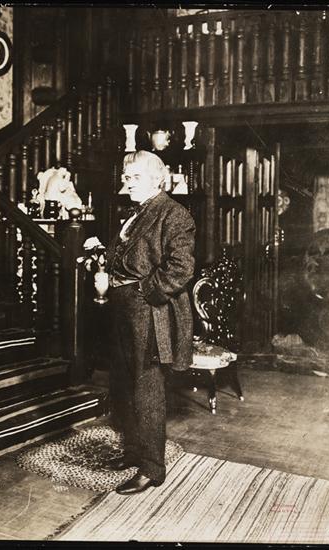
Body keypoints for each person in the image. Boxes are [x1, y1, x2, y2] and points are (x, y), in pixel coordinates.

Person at [86, 150, 195, 495]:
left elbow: (181, 269)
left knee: (147, 388)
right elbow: (129, 258)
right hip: (122, 309)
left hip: (150, 312)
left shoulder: (174, 214)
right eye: (125, 177)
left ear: (157, 179)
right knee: (124, 382)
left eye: (134, 177)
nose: (127, 183)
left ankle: (152, 469)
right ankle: (134, 451)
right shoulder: (135, 213)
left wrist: (143, 292)